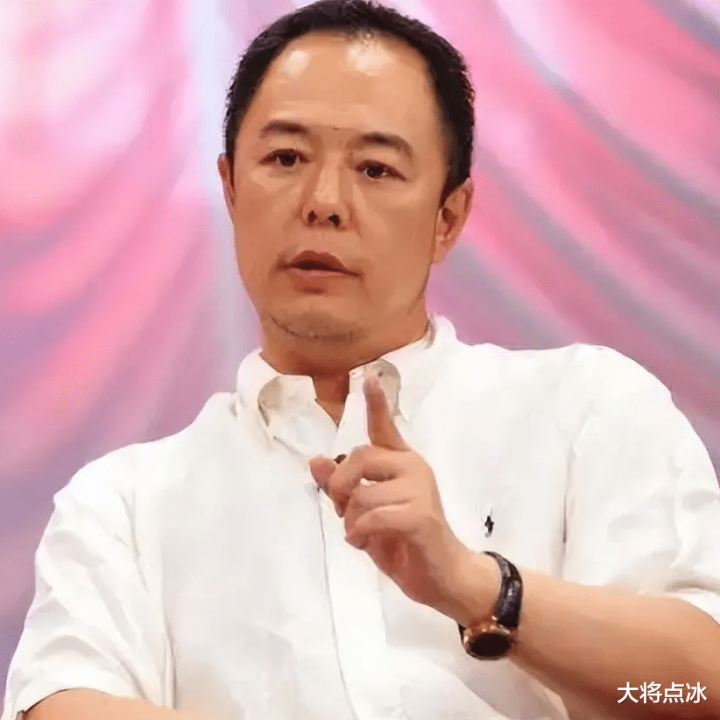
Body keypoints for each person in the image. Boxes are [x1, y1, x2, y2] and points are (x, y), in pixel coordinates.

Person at [4, 1, 720, 719]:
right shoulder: (124, 503)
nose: (324, 202)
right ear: (230, 188)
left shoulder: (589, 409)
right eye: (286, 159)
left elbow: (699, 688)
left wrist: (476, 587)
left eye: (376, 168)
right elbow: (60, 706)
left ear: (447, 218)